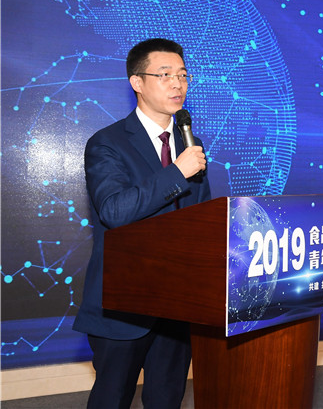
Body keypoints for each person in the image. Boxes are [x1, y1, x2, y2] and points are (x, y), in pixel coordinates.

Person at [73, 38, 211, 408]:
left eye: (183, 75)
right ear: (137, 82)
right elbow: (114, 211)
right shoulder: (108, 143)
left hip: (178, 302)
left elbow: (201, 218)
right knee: (112, 398)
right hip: (125, 302)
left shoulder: (190, 143)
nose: (177, 84)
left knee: (167, 398)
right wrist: (178, 173)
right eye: (165, 75)